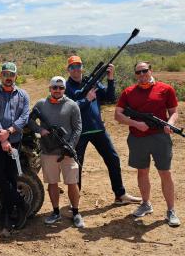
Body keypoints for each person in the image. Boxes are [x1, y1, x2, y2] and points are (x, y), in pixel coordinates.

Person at [65, 55, 141, 205]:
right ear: (68, 70)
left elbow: (110, 97)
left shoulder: (90, 82)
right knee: (77, 166)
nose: (76, 69)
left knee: (113, 159)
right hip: (79, 132)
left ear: (82, 67)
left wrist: (111, 79)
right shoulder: (66, 87)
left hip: (98, 129)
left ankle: (120, 194)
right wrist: (86, 99)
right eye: (73, 67)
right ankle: (75, 202)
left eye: (78, 65)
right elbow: (69, 109)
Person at [115, 61, 180, 227]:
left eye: (145, 71)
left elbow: (174, 112)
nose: (142, 74)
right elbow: (118, 115)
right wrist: (137, 124)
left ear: (151, 70)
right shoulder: (128, 92)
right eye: (138, 72)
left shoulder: (166, 89)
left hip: (160, 138)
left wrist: (170, 124)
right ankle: (145, 204)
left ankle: (171, 210)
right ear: (135, 75)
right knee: (142, 172)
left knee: (165, 173)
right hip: (137, 138)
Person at [0, 62, 30, 238]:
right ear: (1, 76)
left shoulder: (23, 95)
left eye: (12, 74)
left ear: (16, 76)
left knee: (11, 178)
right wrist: (2, 138)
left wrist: (8, 132)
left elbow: (24, 117)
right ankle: (20, 203)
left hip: (14, 141)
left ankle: (7, 218)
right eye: (5, 74)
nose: (8, 77)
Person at [29, 76, 83, 228]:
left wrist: (70, 146)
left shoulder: (72, 105)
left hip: (67, 151)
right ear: (49, 88)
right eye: (55, 87)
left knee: (72, 182)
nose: (58, 90)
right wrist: (40, 130)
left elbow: (78, 128)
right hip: (48, 150)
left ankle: (76, 212)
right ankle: (55, 212)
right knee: (52, 183)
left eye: (61, 88)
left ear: (65, 89)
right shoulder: (41, 104)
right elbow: (30, 120)